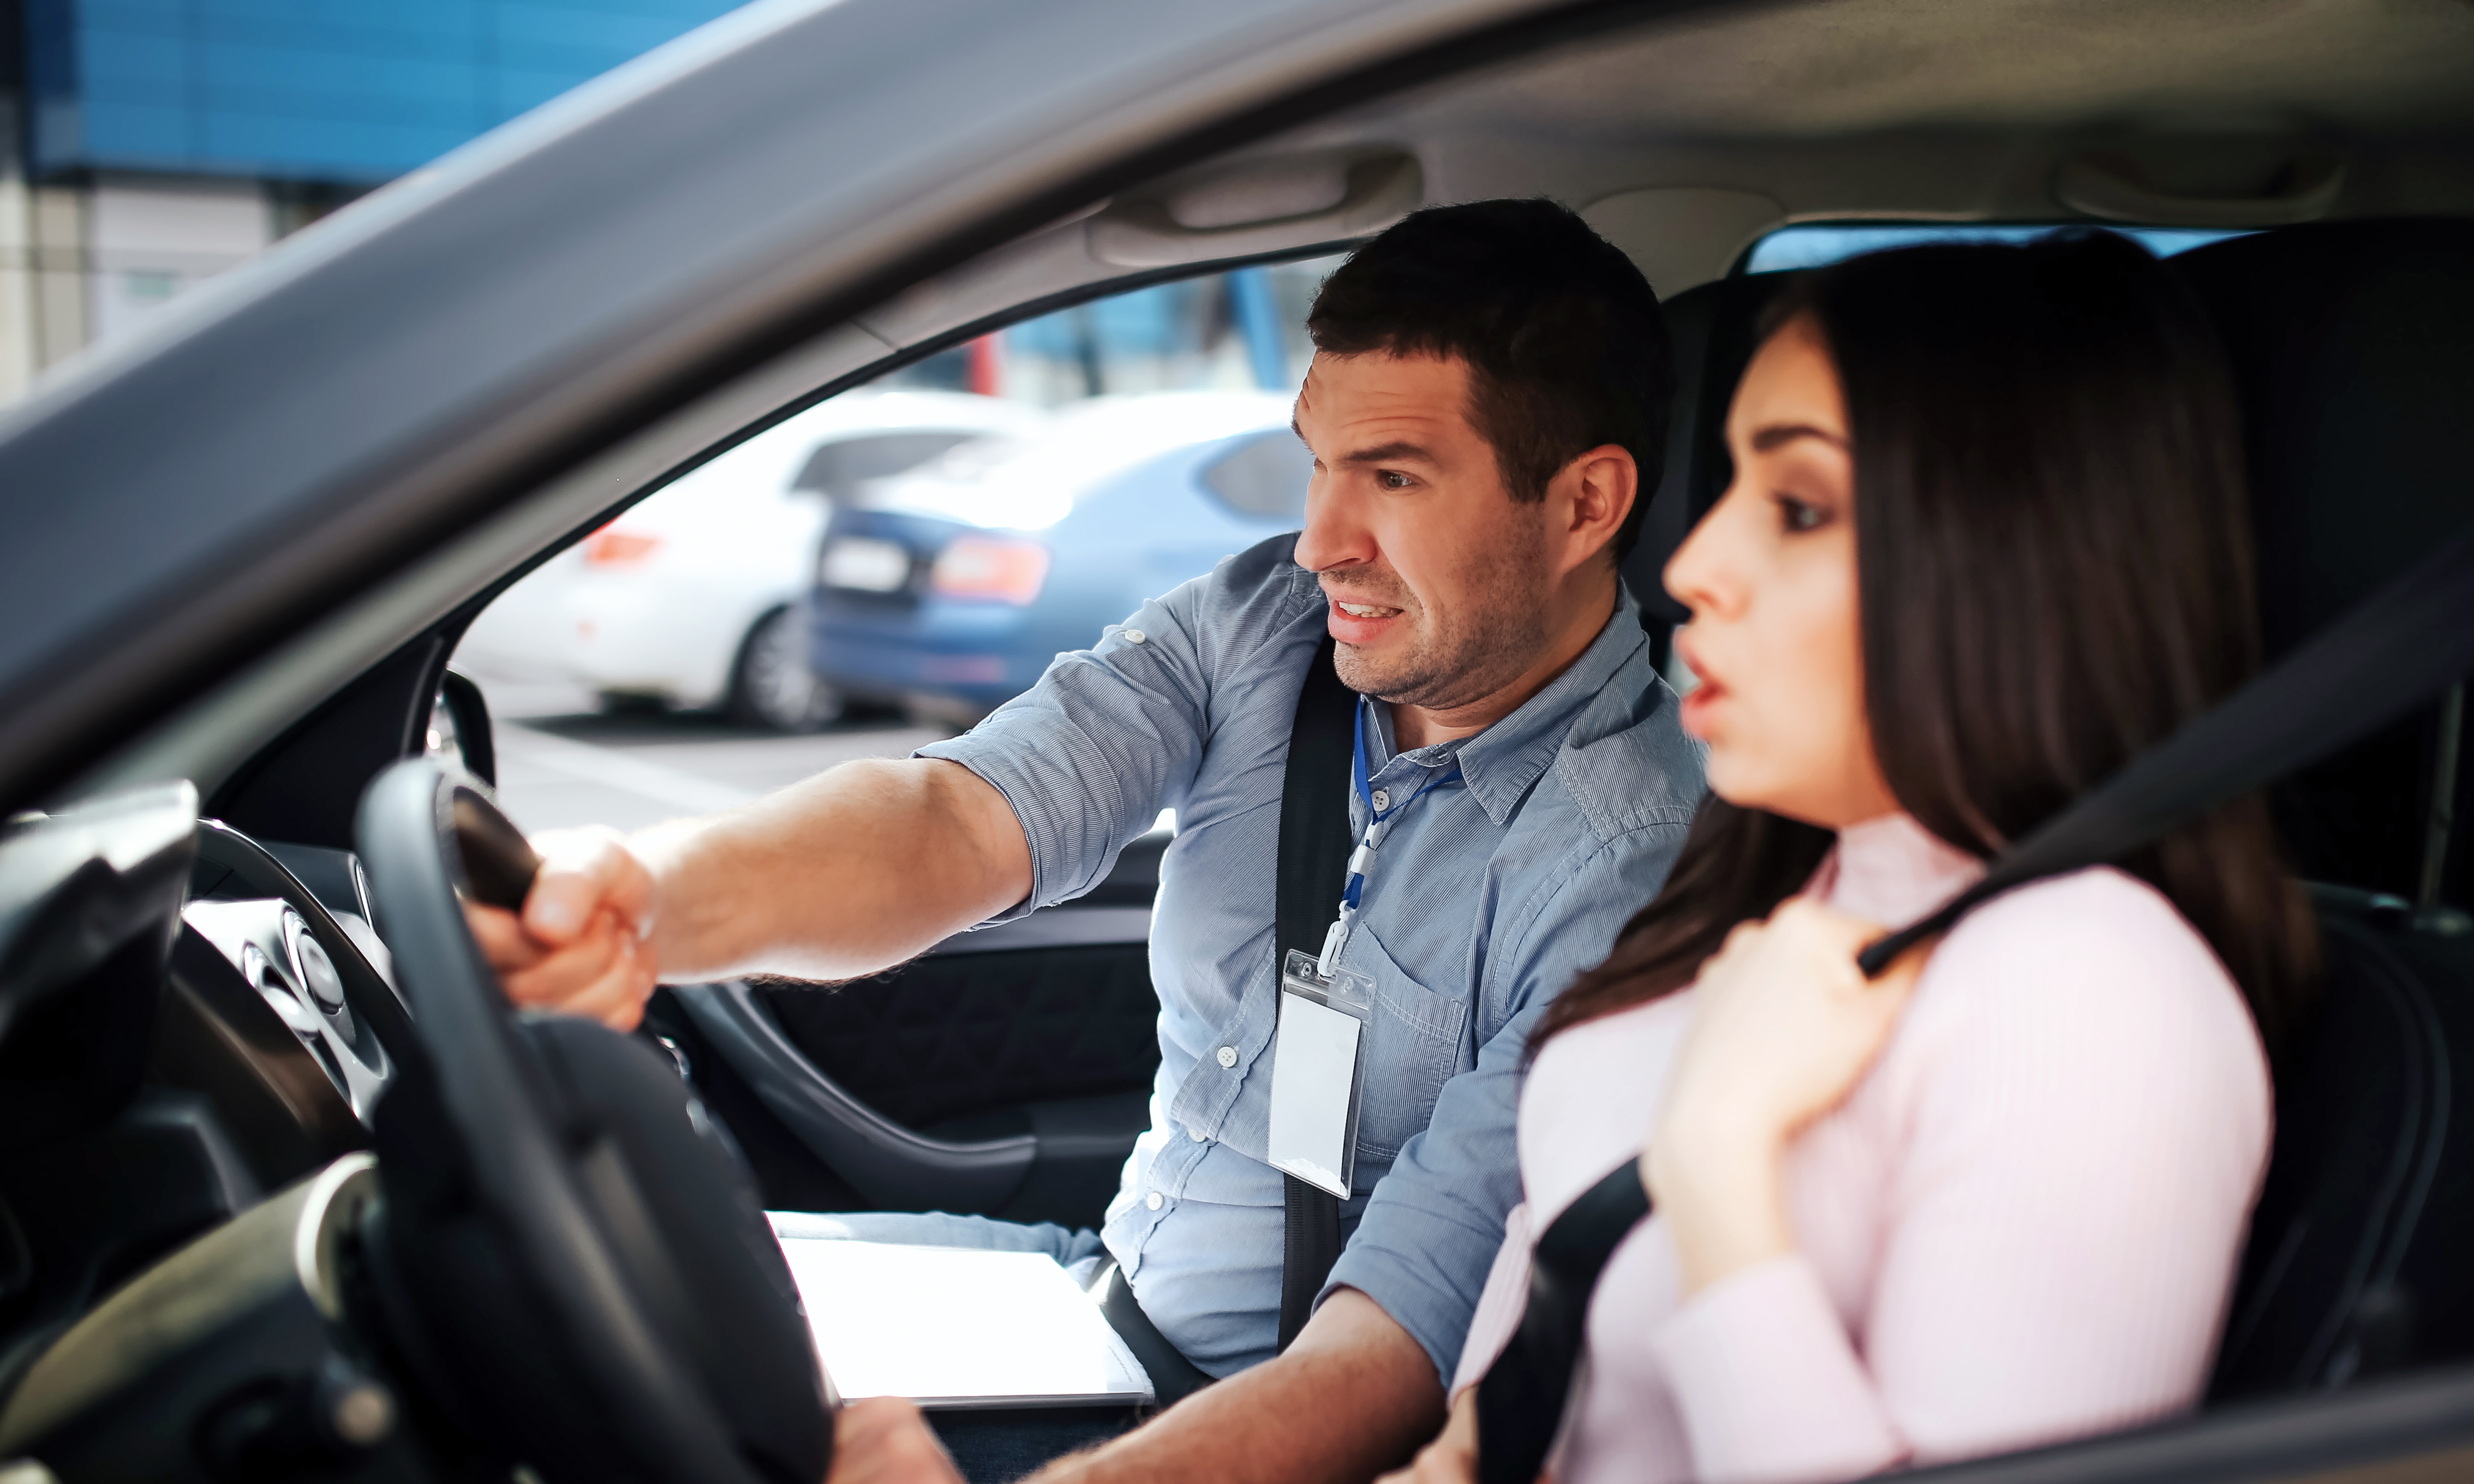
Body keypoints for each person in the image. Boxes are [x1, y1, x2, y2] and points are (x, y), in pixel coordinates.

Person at [469, 198, 1706, 1482]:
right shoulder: (1263, 630)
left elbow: (1389, 1359)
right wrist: (648, 896)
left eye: (1390, 477)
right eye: (1315, 463)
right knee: (598, 1307)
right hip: (1099, 1306)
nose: (1319, 539)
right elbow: (951, 818)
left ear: (1582, 504)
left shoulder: (1641, 870)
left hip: (1255, 1437)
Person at [1387, 231, 2320, 1484]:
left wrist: (1718, 1162)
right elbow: (1513, 1393)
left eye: (1800, 508)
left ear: (2012, 559)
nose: (1691, 567)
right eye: (1726, 490)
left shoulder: (2088, 987)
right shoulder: (1763, 896)